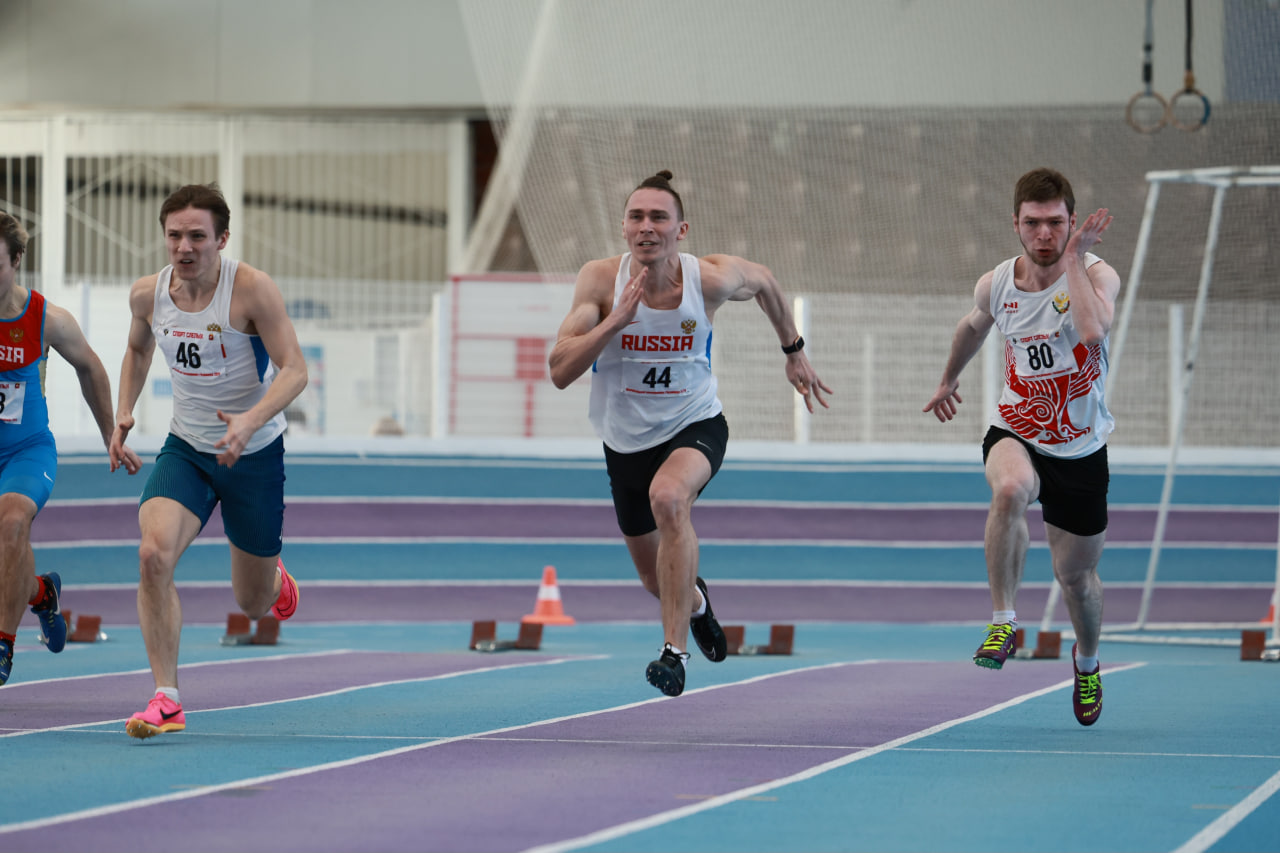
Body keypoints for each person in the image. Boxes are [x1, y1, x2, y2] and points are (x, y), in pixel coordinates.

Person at [549, 170, 832, 697]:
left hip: (694, 424)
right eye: (636, 216)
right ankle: (697, 605)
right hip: (625, 444)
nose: (646, 226)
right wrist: (614, 323)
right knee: (658, 582)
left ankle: (673, 654)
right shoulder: (599, 282)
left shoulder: (709, 280)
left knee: (670, 497)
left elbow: (766, 281)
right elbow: (560, 369)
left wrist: (793, 351)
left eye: (659, 217)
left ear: (681, 231)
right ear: (625, 228)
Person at [108, 183, 308, 738]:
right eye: (174, 236)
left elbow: (295, 369)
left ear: (222, 238)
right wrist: (124, 412)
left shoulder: (251, 290)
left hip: (253, 453)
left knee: (252, 602)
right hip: (188, 449)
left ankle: (273, 580)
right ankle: (166, 698)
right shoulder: (148, 295)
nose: (184, 247)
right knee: (153, 554)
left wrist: (249, 420)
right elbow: (138, 347)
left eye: (197, 236)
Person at [923, 167, 1119, 727]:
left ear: (1072, 224)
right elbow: (974, 325)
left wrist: (1077, 261)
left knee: (1076, 579)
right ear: (1016, 223)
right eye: (1032, 223)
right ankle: (1004, 619)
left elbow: (1090, 332)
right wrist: (947, 379)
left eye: (1055, 223)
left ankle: (1086, 663)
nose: (1043, 235)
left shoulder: (1100, 276)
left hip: (1080, 449)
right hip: (1017, 428)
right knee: (1009, 488)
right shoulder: (997, 283)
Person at [0, 213, 139, 686]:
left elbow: (91, 368)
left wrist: (110, 435)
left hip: (26, 452)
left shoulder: (47, 318)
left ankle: (3, 643)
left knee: (12, 524)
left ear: (17, 261)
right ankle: (41, 594)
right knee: (8, 556)